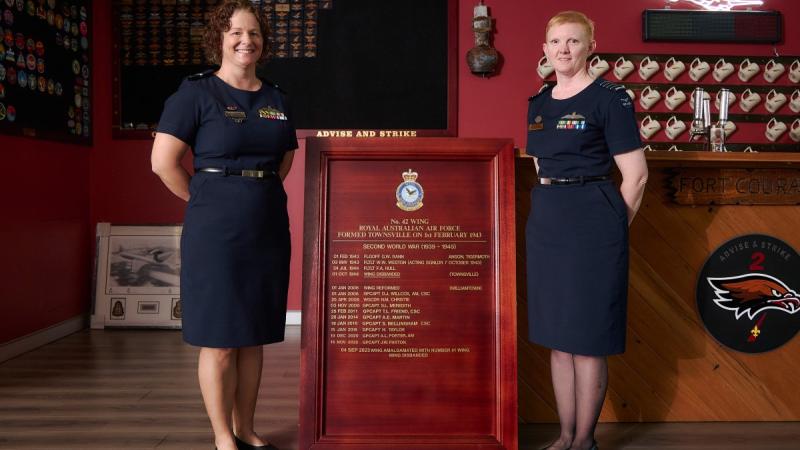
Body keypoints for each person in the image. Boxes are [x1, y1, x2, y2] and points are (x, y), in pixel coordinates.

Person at [150, 1, 297, 449]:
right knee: (220, 340)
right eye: (235, 32)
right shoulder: (195, 94)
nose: (245, 40)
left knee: (253, 337)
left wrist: (252, 193)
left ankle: (246, 428)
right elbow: (162, 163)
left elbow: (284, 160)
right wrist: (207, 197)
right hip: (215, 230)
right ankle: (222, 437)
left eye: (253, 33)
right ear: (219, 37)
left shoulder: (276, 98)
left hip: (267, 225)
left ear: (263, 41)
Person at [525, 11, 648, 450]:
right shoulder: (537, 102)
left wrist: (613, 228)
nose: (563, 49)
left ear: (590, 47)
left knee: (588, 339)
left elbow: (635, 176)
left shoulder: (610, 98)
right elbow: (542, 165)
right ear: (544, 48)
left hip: (593, 223)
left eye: (573, 42)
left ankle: (584, 441)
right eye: (556, 41)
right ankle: (564, 437)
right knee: (559, 339)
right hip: (547, 224)